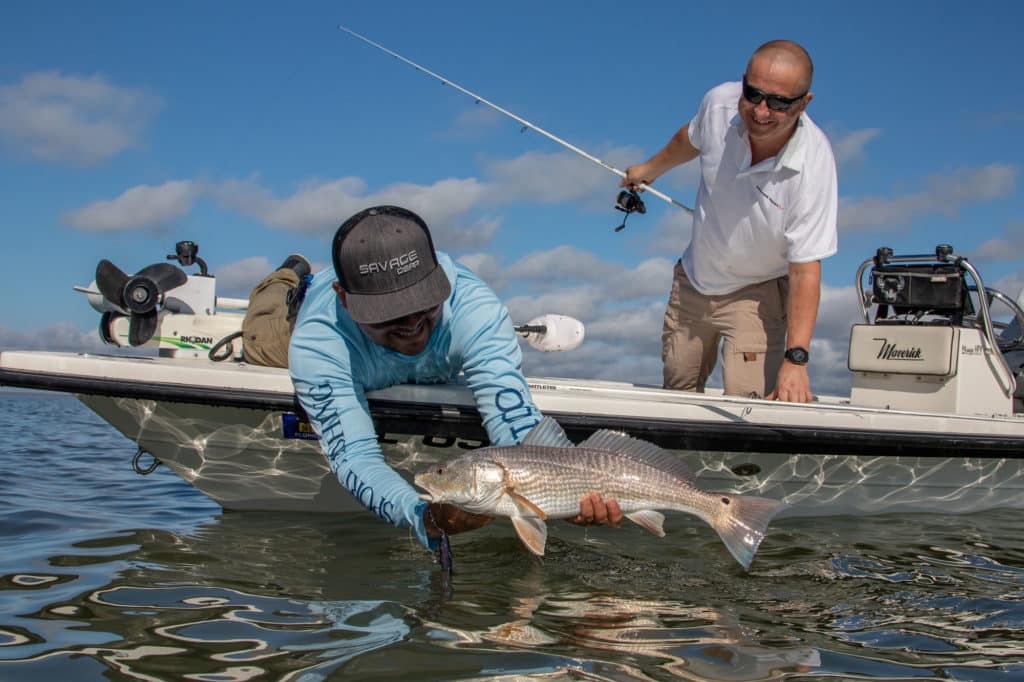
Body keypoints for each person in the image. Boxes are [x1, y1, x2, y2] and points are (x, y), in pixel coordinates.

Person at [287, 205, 621, 553]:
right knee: (263, 343)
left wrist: (567, 489)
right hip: (308, 320)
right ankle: (288, 277)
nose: (412, 325)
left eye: (424, 304)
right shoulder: (318, 344)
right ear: (344, 297)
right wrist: (423, 516)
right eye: (388, 314)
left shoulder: (475, 309)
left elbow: (516, 425)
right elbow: (355, 456)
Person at [621, 40, 838, 403]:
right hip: (694, 280)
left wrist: (796, 360)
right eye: (753, 94)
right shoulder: (719, 103)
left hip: (757, 292)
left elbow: (805, 270)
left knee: (750, 407)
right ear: (743, 82)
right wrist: (648, 171)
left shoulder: (814, 166)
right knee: (676, 398)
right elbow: (689, 140)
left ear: (804, 103)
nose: (762, 111)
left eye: (779, 102)